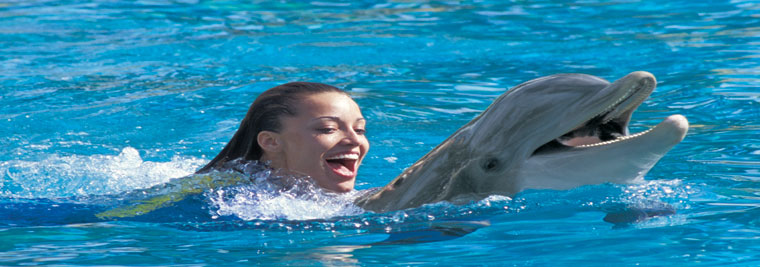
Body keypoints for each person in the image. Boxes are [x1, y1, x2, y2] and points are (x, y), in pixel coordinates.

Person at [197, 82, 369, 193]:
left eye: (359, 130)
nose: (354, 140)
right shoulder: (223, 195)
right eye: (328, 129)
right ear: (271, 142)